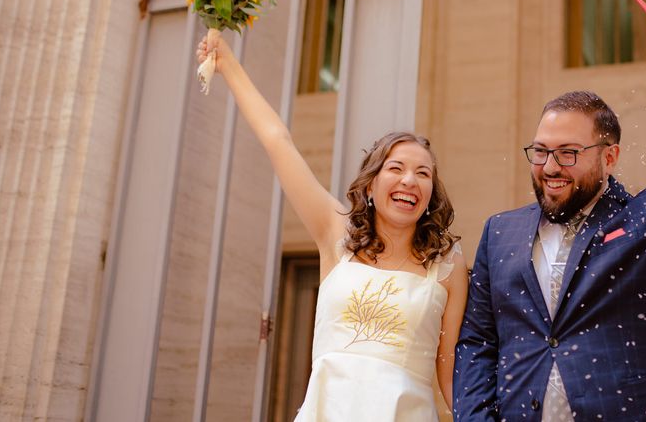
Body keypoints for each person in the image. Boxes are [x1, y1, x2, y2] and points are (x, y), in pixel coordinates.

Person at [453, 8, 646, 421]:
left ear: (609, 157)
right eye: (541, 151)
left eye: (568, 153)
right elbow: (478, 341)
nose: (550, 166)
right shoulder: (499, 233)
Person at [197, 30, 468, 421]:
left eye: (423, 173)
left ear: (430, 194)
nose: (410, 180)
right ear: (372, 185)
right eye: (396, 168)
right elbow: (279, 142)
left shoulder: (447, 265)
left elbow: (448, 369)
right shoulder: (335, 234)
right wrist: (227, 64)